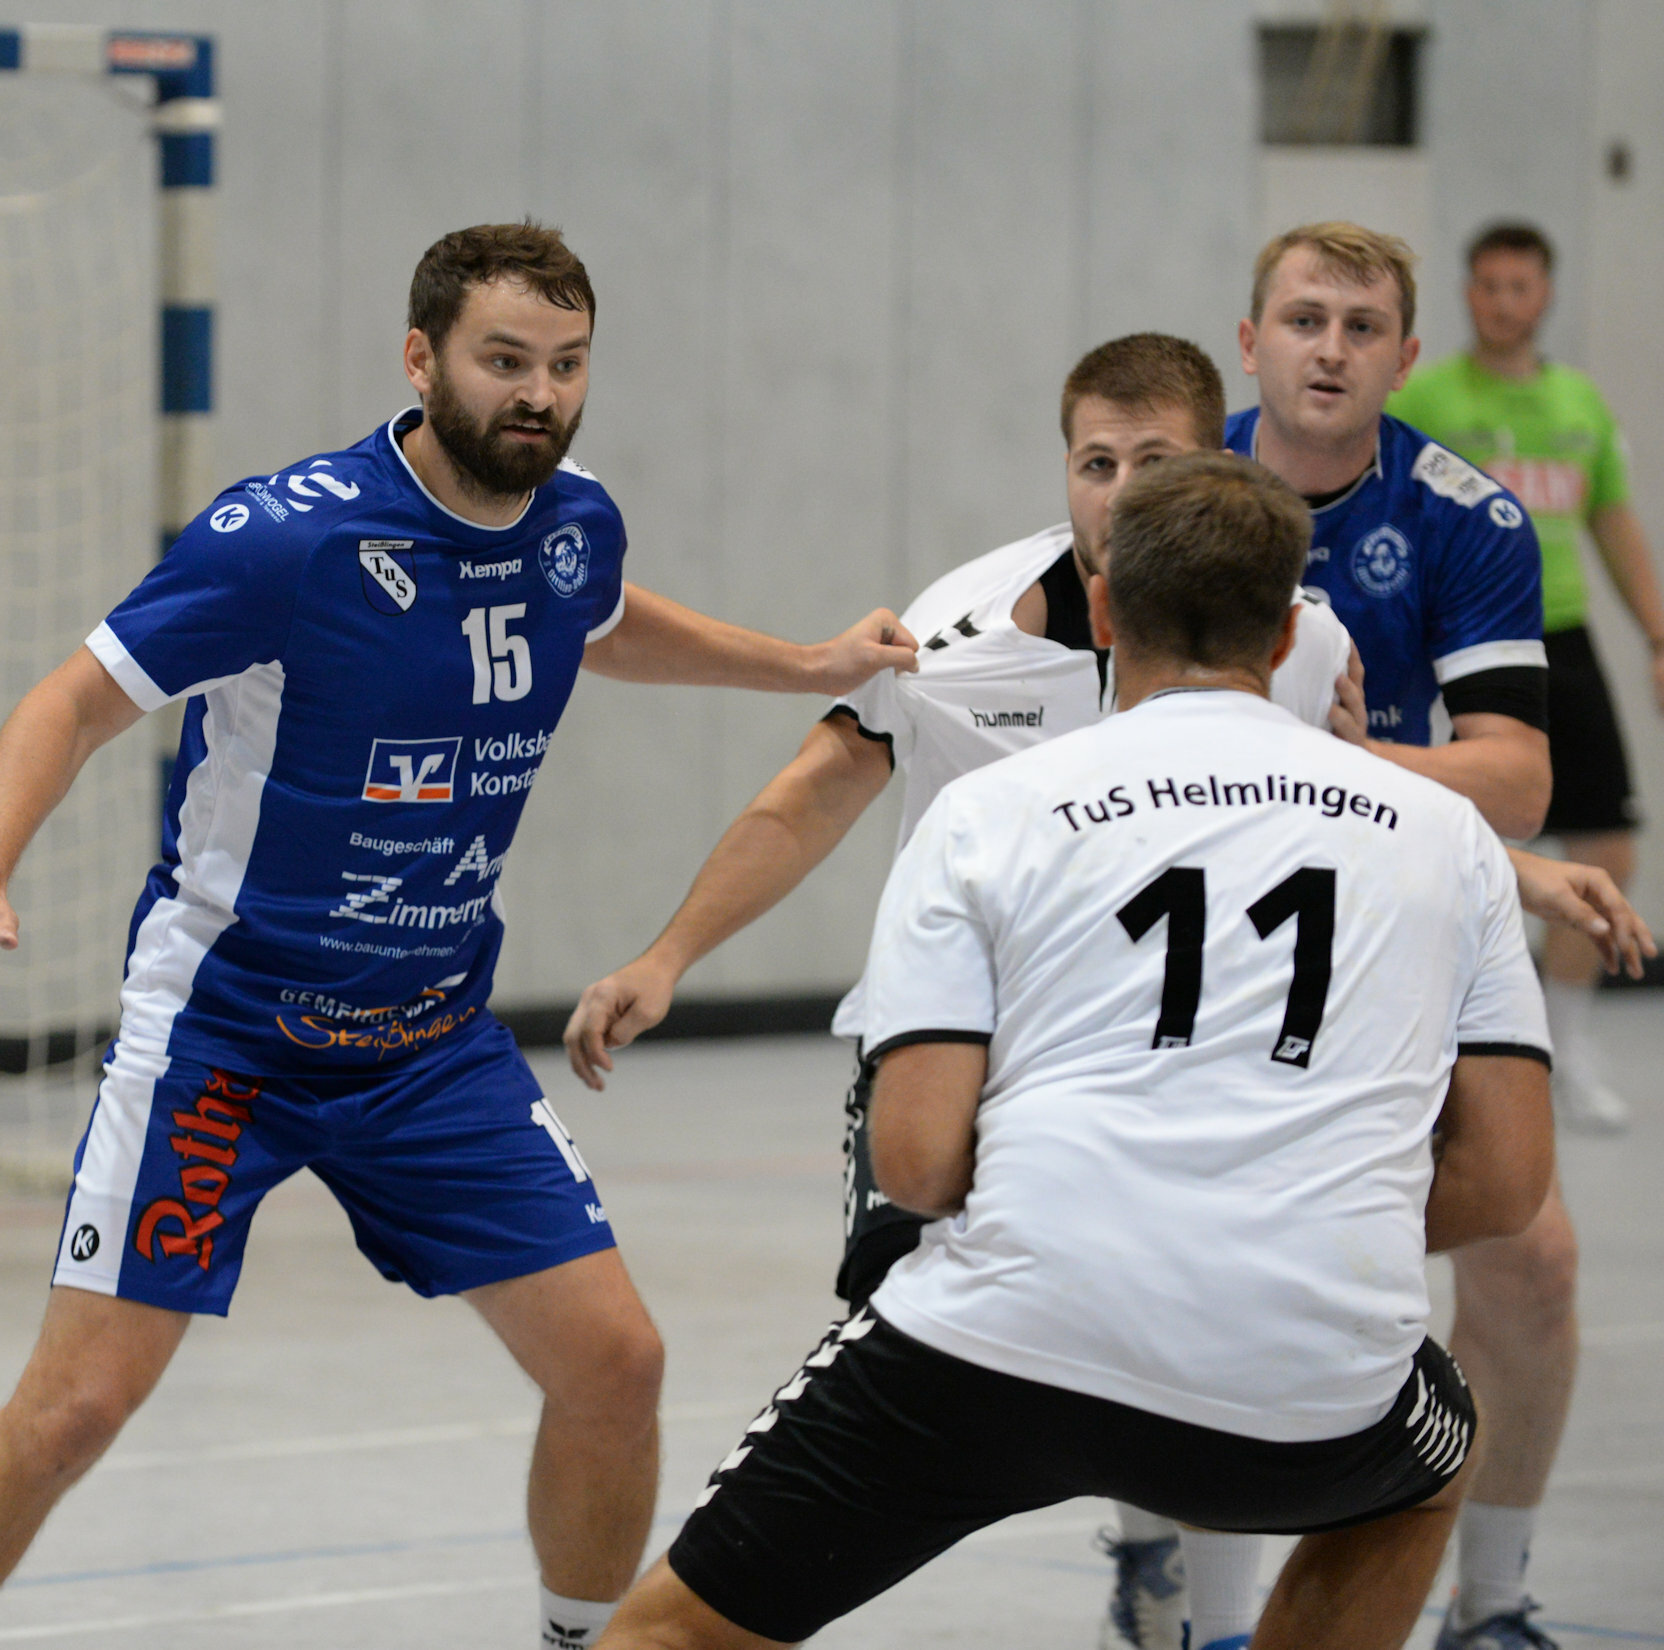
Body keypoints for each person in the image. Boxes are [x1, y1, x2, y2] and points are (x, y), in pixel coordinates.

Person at [0, 221, 921, 1650]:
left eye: (567, 365)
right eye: (505, 362)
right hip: (227, 1037)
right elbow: (76, 700)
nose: (538, 393)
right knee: (75, 1408)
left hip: (426, 1045)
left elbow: (594, 617)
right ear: (422, 361)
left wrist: (803, 662)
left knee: (616, 1362)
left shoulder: (576, 519)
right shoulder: (287, 537)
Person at [594, 450, 1557, 1650]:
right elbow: (1509, 1181)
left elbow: (916, 1164)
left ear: (1104, 611)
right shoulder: (1449, 836)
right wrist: (1281, 1210)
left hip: (1010, 1344)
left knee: (665, 1636)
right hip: (1310, 1379)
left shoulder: (989, 814)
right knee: (1430, 1452)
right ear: (1285, 635)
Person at [1209, 222, 1598, 1650]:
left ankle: (1491, 1601)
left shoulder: (1468, 518)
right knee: (1184, 1238)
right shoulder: (1173, 495)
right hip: (1204, 926)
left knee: (1533, 1257)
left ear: (1406, 355)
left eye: (1362, 326)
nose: (1331, 346)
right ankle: (1178, 1576)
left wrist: (1325, 761)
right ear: (1249, 343)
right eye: (1304, 318)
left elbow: (1519, 774)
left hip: (1400, 920)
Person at [1389, 220, 1664, 1136]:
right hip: (1453, 642)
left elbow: (1614, 526)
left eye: (1520, 286)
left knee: (1607, 852)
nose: (1504, 301)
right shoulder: (1425, 395)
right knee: (1430, 831)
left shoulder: (1580, 405)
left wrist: (1659, 634)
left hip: (1561, 635)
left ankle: (1569, 1049)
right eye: (1488, 285)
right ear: (1469, 295)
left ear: (1543, 296)